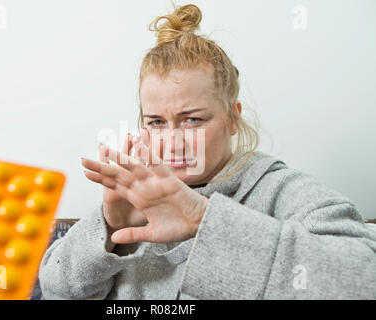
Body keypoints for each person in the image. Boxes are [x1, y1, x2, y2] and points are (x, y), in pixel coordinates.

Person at [38, 3, 376, 299]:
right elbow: (54, 291)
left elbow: (365, 280)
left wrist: (204, 221)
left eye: (192, 120)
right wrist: (110, 226)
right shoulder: (131, 197)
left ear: (233, 118)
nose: (173, 142)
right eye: (156, 122)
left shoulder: (282, 191)